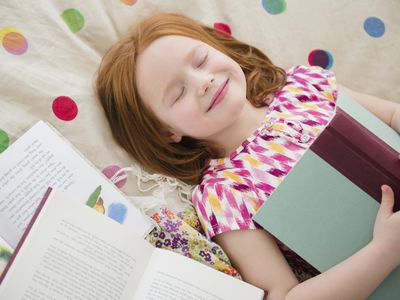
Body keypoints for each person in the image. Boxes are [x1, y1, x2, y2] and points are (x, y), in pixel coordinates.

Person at [96, 12, 400, 300]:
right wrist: (384, 251)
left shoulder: (302, 84)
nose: (204, 82)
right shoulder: (223, 193)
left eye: (201, 60)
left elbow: (390, 114)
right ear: (166, 132)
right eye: (177, 93)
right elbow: (284, 294)